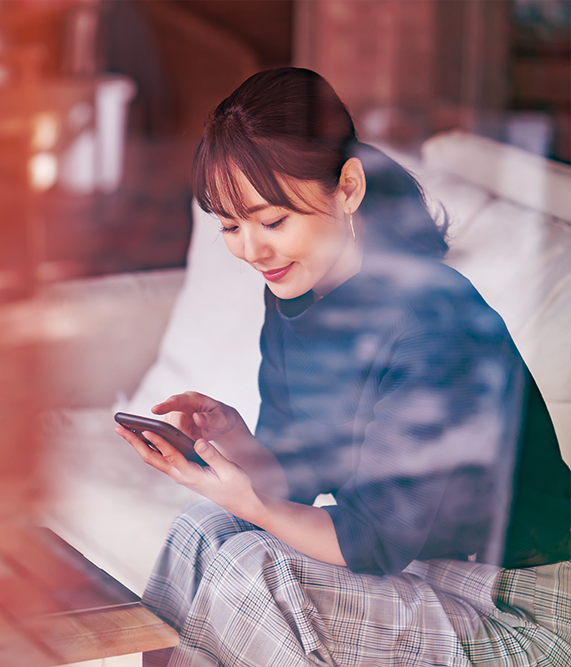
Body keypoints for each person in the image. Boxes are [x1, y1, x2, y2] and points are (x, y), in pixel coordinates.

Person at [113, 68, 571, 667]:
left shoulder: (434, 320)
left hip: (524, 609)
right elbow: (295, 479)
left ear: (347, 188)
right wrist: (237, 443)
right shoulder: (296, 296)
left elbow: (371, 539)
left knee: (253, 574)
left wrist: (251, 503)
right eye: (231, 226)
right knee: (202, 532)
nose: (253, 250)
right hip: (427, 576)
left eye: (273, 221)